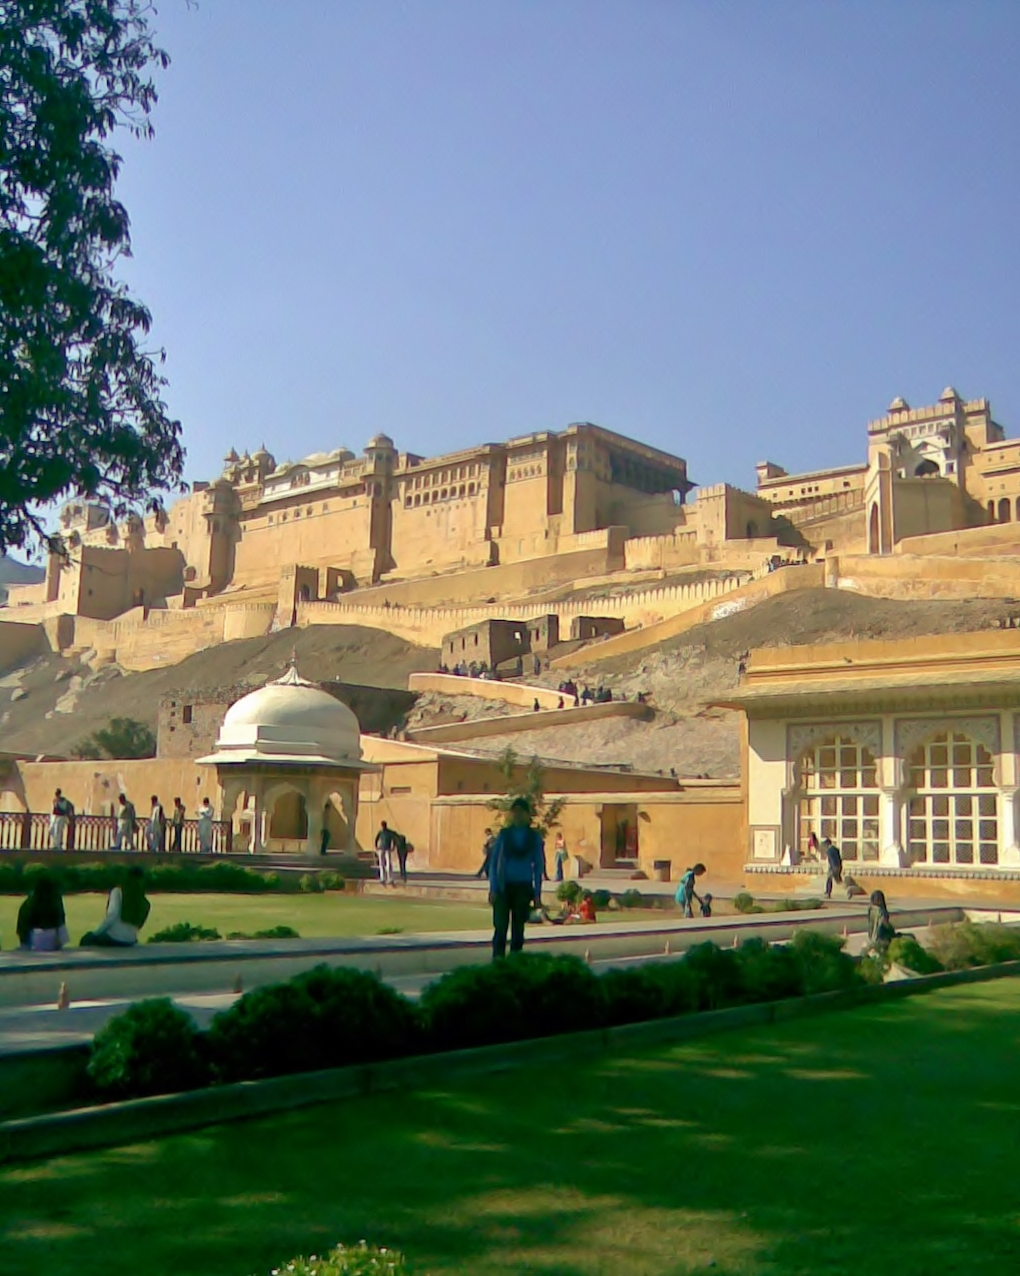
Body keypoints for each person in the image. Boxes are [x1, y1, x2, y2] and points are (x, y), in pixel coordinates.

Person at [488, 797, 545, 959]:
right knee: (500, 928)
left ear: (528, 815)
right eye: (515, 812)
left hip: (523, 887)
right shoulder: (505, 835)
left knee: (518, 930)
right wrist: (493, 888)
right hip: (503, 887)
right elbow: (494, 863)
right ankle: (498, 963)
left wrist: (537, 894)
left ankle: (515, 963)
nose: (518, 815)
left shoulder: (533, 837)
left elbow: (538, 866)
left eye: (521, 812)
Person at [80, 866, 151, 948]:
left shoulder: (118, 892)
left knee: (86, 939)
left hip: (114, 938)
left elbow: (112, 915)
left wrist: (95, 934)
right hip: (130, 940)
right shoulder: (144, 901)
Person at [16, 871, 69, 951]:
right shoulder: (55, 900)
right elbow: (61, 922)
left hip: (33, 939)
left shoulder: (30, 902)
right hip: (51, 937)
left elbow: (22, 926)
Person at [375, 821, 395, 886]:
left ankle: (390, 878)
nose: (383, 826)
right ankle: (382, 878)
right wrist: (376, 847)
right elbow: (376, 839)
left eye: (384, 825)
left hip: (387, 849)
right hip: (381, 849)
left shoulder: (389, 832)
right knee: (381, 864)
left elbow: (393, 839)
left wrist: (393, 847)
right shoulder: (380, 832)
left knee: (388, 864)